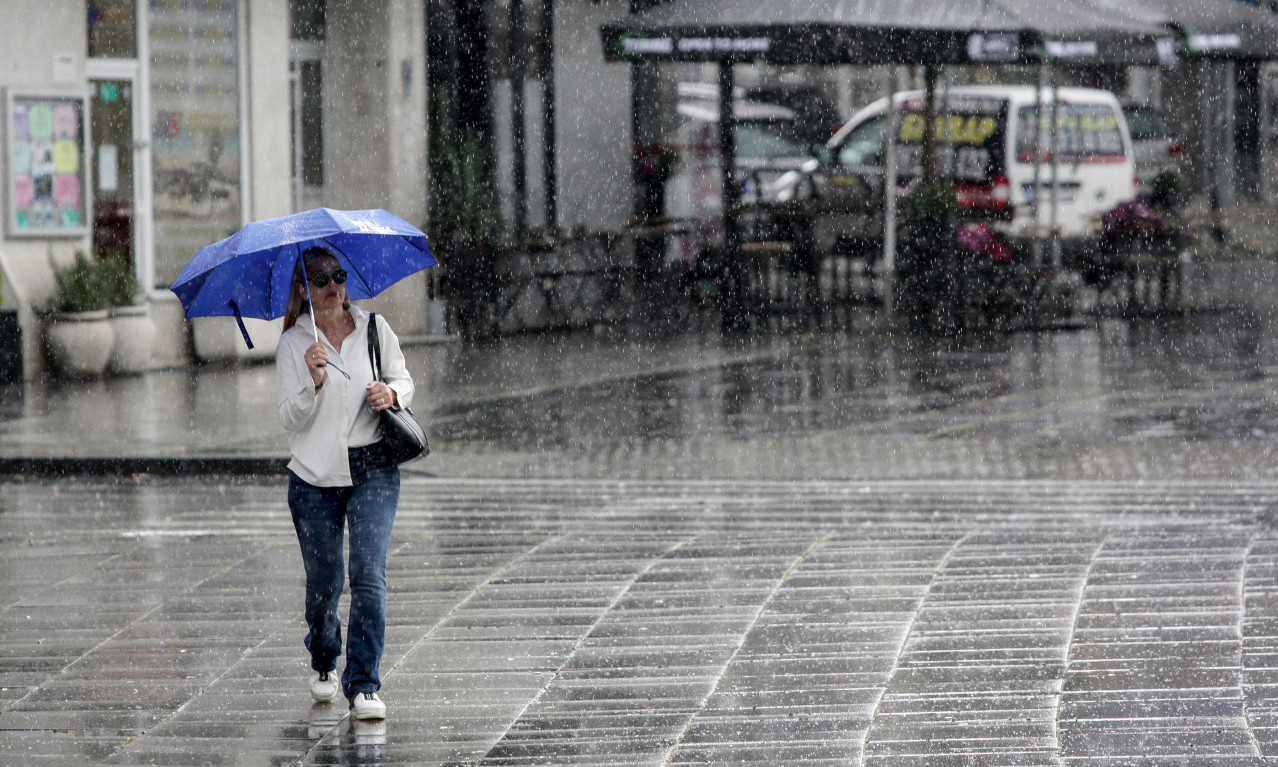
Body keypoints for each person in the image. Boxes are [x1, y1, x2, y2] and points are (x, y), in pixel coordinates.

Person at [275, 245, 414, 721]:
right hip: (314, 478)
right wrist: (312, 382)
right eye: (320, 279)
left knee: (369, 576)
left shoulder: (375, 329)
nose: (333, 285)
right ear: (303, 290)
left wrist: (390, 392)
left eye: (338, 275)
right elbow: (289, 420)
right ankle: (323, 655)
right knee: (324, 585)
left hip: (374, 465)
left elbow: (404, 379)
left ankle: (363, 683)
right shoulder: (296, 345)